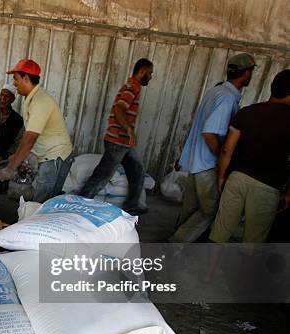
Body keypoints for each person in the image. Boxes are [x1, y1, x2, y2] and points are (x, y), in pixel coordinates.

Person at [169, 53, 256, 242]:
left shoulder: (215, 92)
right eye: (251, 71)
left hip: (194, 161)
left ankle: (176, 241)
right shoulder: (226, 98)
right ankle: (176, 244)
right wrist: (221, 159)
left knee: (191, 208)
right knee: (209, 211)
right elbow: (209, 133)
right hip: (206, 164)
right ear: (246, 73)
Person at [208, 69, 290, 243]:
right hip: (268, 188)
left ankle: (208, 271)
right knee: (253, 243)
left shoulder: (247, 112)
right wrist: (288, 193)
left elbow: (226, 150)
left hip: (236, 179)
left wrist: (222, 176)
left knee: (219, 235)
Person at [78, 58, 154, 215]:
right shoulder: (132, 87)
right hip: (118, 141)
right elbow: (119, 109)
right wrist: (129, 130)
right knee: (102, 176)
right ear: (142, 72)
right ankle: (78, 204)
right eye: (150, 73)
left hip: (123, 142)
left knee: (137, 169)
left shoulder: (133, 86)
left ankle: (132, 204)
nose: (151, 76)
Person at [0, 59, 73, 203]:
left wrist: (10, 169)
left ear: (26, 78)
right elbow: (30, 135)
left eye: (16, 78)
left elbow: (30, 138)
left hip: (55, 157)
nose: (14, 83)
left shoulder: (40, 102)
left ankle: (38, 224)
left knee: (42, 200)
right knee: (44, 199)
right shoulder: (31, 99)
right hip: (48, 156)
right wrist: (17, 156)